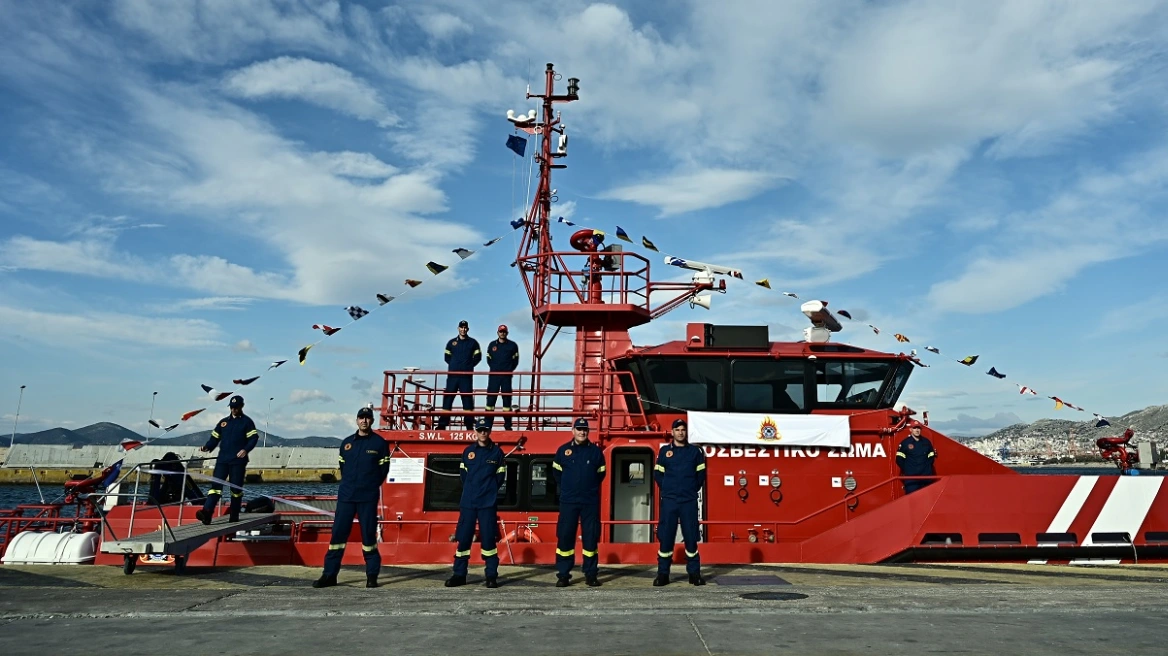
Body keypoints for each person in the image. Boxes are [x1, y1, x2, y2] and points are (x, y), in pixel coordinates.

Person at [313, 406, 391, 588]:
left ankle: (372, 576)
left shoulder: (379, 444)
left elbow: (383, 470)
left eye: (367, 418)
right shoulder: (347, 443)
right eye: (361, 418)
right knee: (337, 537)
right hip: (346, 497)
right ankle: (329, 575)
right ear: (357, 420)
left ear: (372, 421)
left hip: (367, 498)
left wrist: (370, 486)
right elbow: (342, 468)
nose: (364, 421)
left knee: (368, 538)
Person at [446, 418, 506, 588]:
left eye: (485, 430)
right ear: (475, 431)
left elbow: (500, 476)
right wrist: (472, 490)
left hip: (487, 503)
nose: (483, 433)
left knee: (488, 541)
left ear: (490, 431)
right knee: (463, 540)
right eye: (480, 430)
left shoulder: (497, 453)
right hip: (469, 503)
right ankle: (459, 575)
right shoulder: (468, 452)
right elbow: (463, 475)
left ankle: (491, 576)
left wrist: (489, 489)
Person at [551, 418, 607, 587]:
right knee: (565, 538)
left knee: (590, 539)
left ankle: (591, 574)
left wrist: (587, 488)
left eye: (585, 429)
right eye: (579, 429)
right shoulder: (563, 451)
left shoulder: (596, 452)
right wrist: (570, 488)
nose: (582, 432)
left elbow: (600, 474)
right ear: (573, 431)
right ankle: (563, 574)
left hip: (589, 502)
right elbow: (556, 473)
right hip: (568, 502)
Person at [653, 418, 706, 586]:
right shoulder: (665, 452)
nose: (680, 432)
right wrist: (668, 489)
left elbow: (700, 476)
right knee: (666, 537)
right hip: (670, 501)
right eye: (677, 430)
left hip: (688, 501)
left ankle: (694, 574)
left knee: (691, 537)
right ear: (672, 432)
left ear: (686, 432)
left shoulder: (695, 453)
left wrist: (690, 489)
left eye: (683, 429)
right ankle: (663, 575)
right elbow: (658, 474)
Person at [196, 395, 259, 524]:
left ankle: (234, 515)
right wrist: (207, 447)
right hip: (223, 460)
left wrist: (246, 449)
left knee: (235, 490)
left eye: (236, 407)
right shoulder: (223, 422)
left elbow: (253, 438)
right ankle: (207, 512)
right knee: (215, 487)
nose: (233, 410)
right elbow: (215, 438)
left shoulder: (247, 422)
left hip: (237, 461)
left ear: (241, 406)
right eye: (231, 407)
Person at [436, 320, 481, 430]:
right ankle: (442, 424)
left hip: (466, 377)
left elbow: (478, 357)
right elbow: (447, 357)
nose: (463, 329)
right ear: (458, 328)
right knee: (448, 399)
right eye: (461, 327)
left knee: (467, 400)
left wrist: (468, 366)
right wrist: (454, 365)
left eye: (465, 327)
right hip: (453, 376)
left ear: (468, 329)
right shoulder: (451, 343)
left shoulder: (473, 343)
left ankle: (469, 425)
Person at [484, 324, 520, 430]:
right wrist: (496, 369)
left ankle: (508, 426)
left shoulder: (512, 346)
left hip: (506, 377)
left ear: (507, 333)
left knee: (507, 402)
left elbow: (515, 361)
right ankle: (487, 425)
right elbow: (488, 359)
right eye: (501, 331)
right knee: (490, 402)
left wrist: (508, 370)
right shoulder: (492, 345)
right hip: (494, 377)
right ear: (497, 333)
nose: (502, 333)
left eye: (504, 332)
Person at [896, 420, 936, 494]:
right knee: (912, 502)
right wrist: (909, 470)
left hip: (926, 478)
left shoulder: (926, 442)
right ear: (911, 429)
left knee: (927, 501)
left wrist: (926, 468)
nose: (917, 430)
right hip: (912, 480)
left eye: (918, 428)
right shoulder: (905, 443)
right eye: (915, 428)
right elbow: (899, 459)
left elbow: (931, 456)